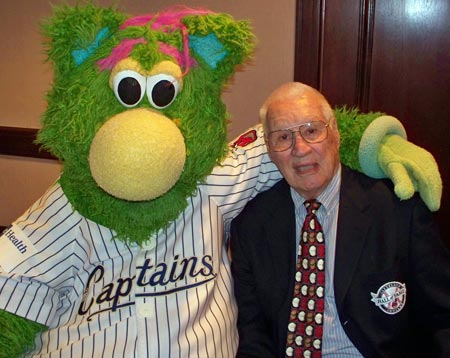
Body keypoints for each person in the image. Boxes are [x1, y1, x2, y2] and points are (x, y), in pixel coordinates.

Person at [230, 82, 450, 357]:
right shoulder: (251, 224)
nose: (300, 149)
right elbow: (252, 333)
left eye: (312, 130)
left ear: (335, 133)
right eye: (283, 137)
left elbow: (443, 316)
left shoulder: (397, 210)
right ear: (270, 150)